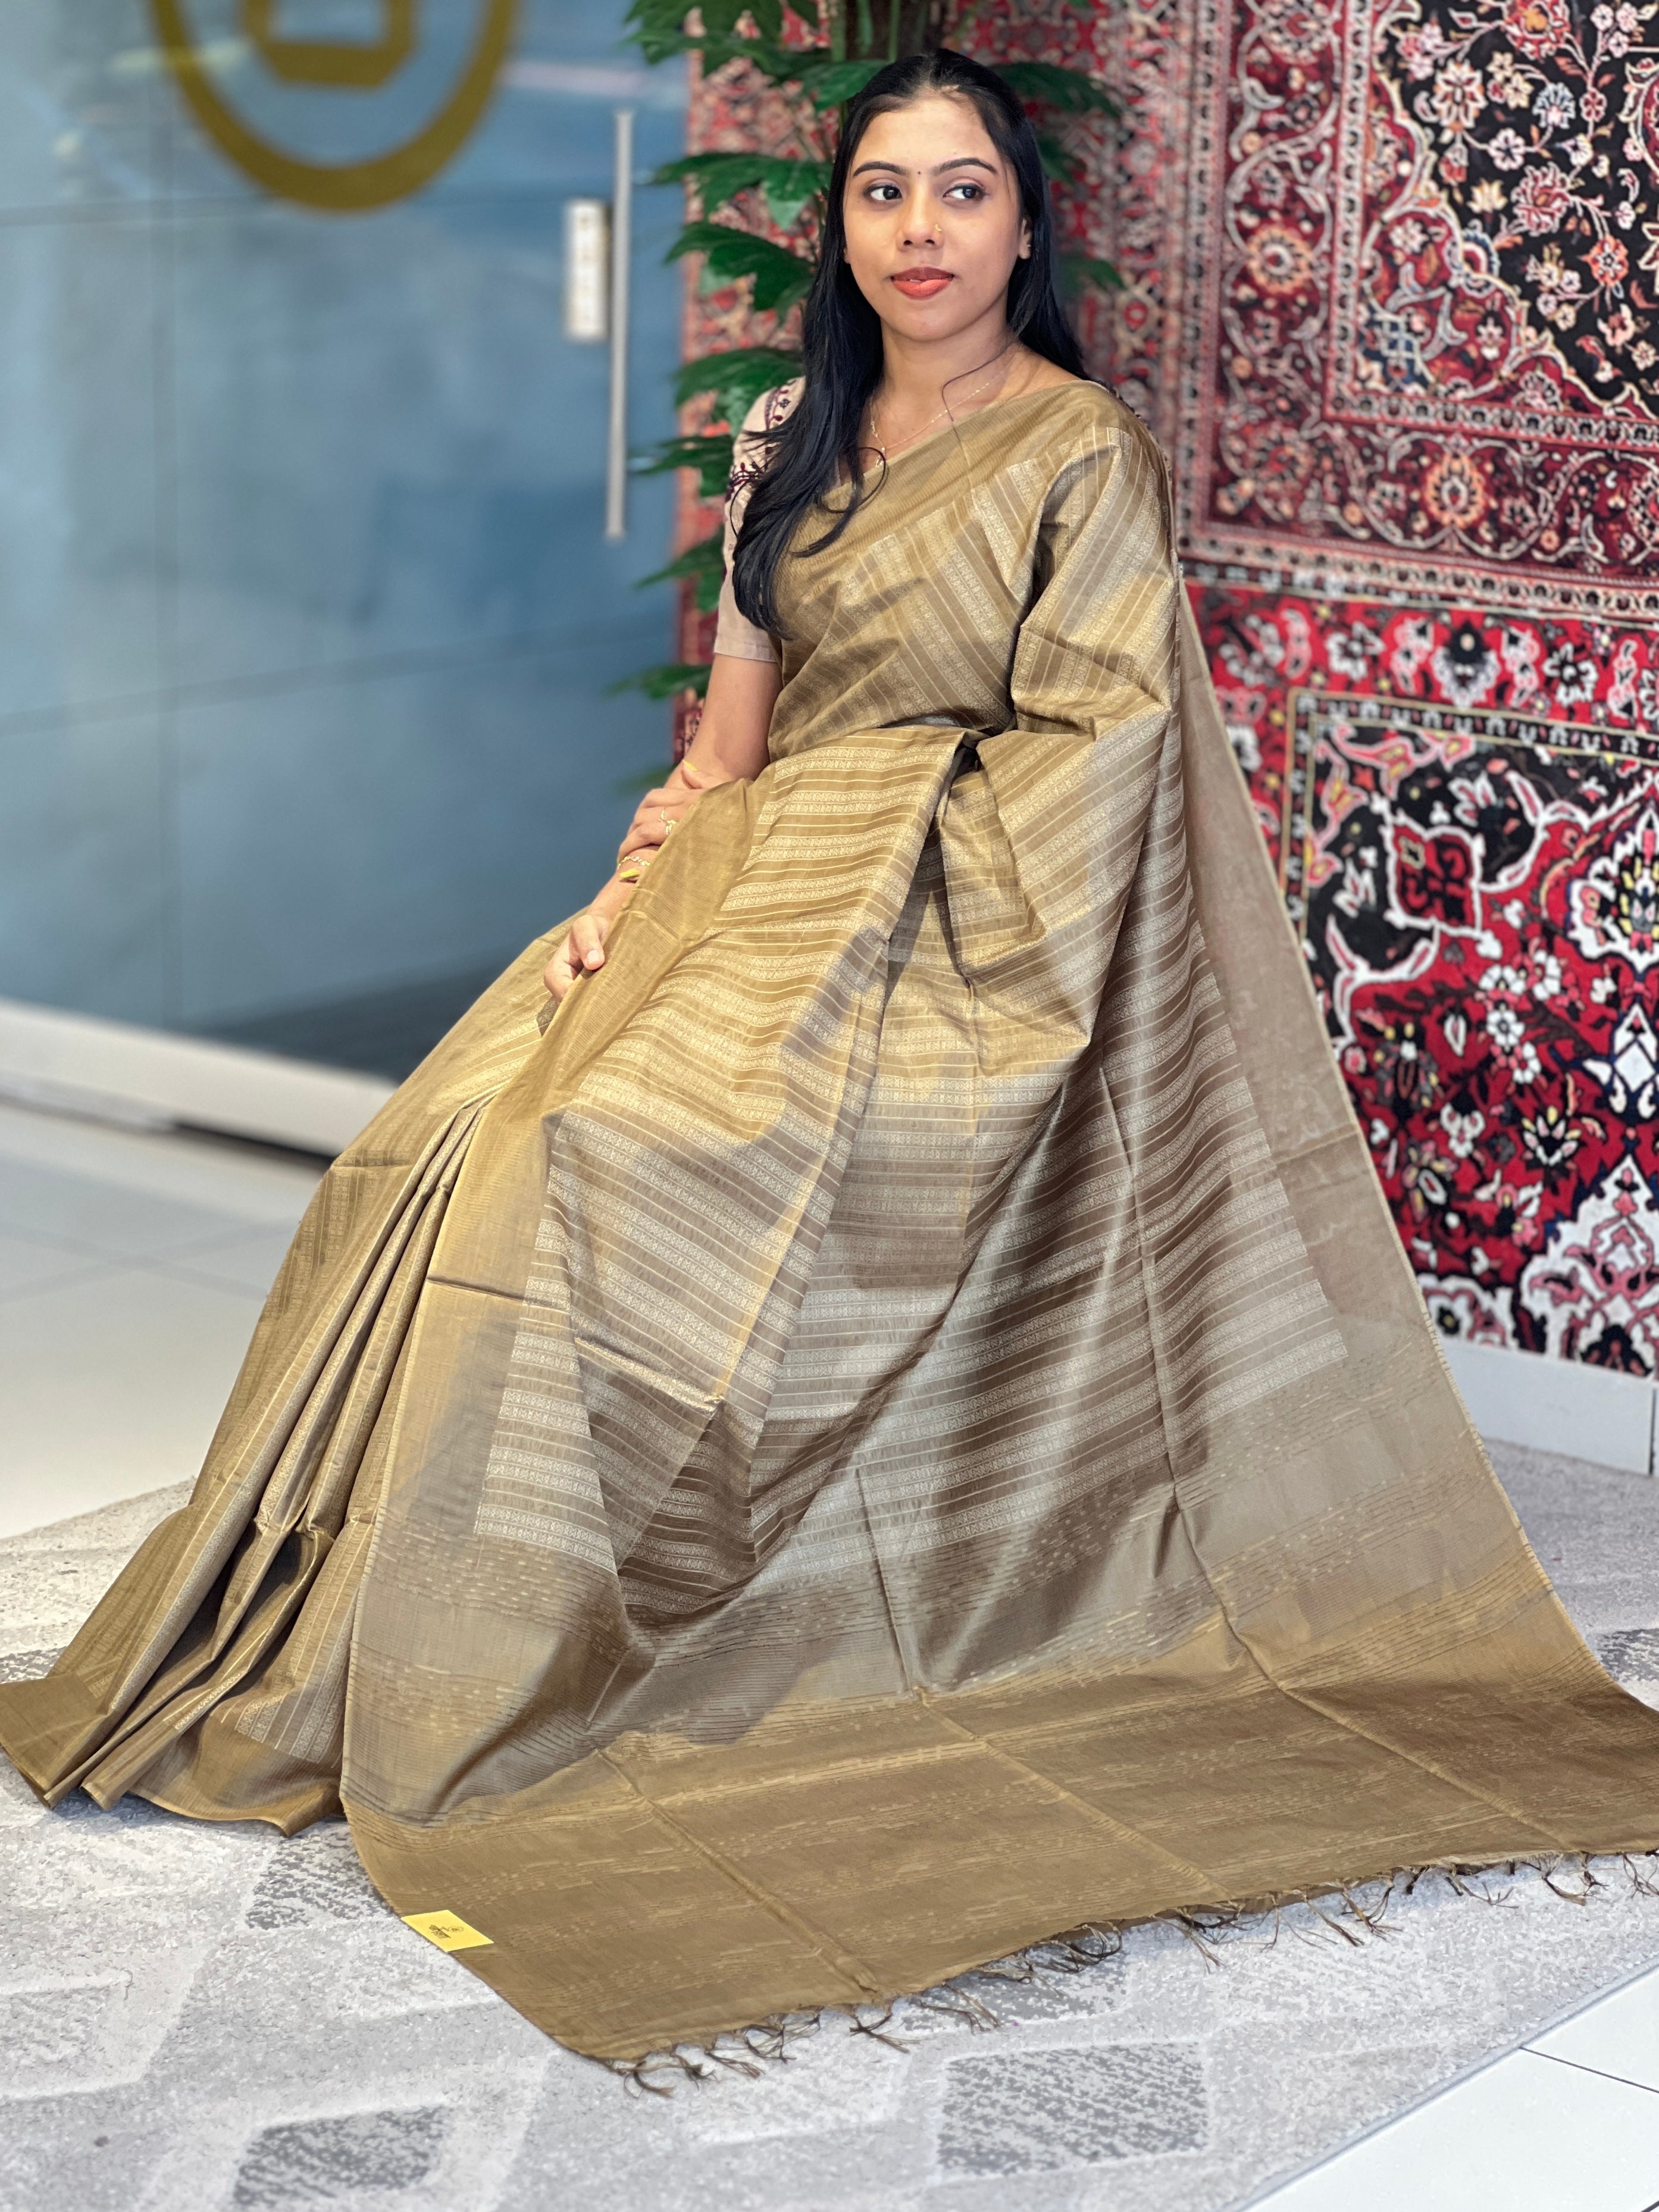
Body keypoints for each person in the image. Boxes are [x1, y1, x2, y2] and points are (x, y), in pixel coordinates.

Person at [5, 50, 1658, 2078]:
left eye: (961, 191)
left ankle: (569, 1644)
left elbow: (1095, 759)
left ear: (1024, 228)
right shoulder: (789, 432)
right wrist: (624, 897)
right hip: (752, 891)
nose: (920, 230)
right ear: (839, 224)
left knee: (616, 1157)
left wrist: (886, 850)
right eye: (883, 190)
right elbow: (727, 749)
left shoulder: (1079, 456)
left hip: (957, 936)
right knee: (457, 1139)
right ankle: (387, 1642)